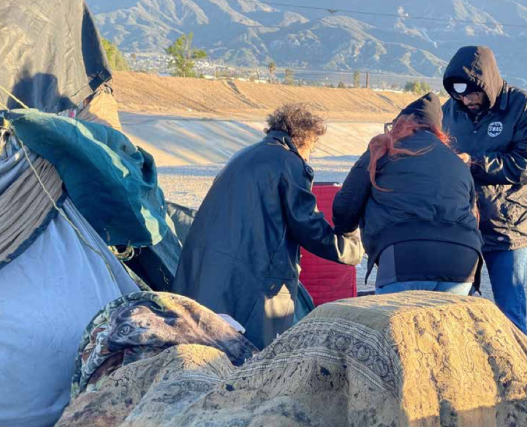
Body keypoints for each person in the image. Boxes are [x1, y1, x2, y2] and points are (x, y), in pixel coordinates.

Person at [173, 104, 364, 350]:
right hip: (251, 282)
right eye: (312, 150)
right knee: (252, 359)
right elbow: (307, 225)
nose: (309, 156)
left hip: (207, 273)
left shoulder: (244, 155)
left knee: (211, 352)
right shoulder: (288, 162)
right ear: (304, 139)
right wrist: (351, 249)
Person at [332, 93, 483, 296]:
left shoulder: (385, 148)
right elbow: (472, 213)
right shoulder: (456, 160)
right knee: (443, 327)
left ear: (400, 124)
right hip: (463, 258)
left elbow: (346, 204)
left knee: (398, 326)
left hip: (403, 256)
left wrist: (347, 233)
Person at [442, 46, 527, 333]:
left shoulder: (522, 107)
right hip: (463, 225)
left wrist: (474, 163)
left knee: (509, 307)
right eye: (459, 95)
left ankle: (518, 372)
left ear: (486, 84)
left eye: (471, 93)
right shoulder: (449, 111)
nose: (465, 100)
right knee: (456, 306)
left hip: (508, 227)